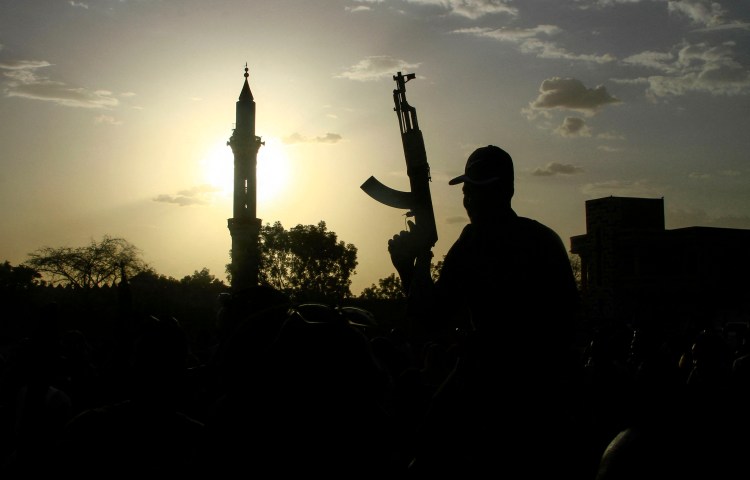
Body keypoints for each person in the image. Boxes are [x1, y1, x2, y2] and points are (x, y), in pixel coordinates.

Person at [387, 145, 584, 477]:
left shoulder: (476, 243)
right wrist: (411, 268)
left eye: (478, 191)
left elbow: (430, 317)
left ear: (504, 191)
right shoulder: (540, 239)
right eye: (468, 192)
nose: (469, 200)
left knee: (427, 446)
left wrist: (415, 266)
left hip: (498, 379)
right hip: (536, 382)